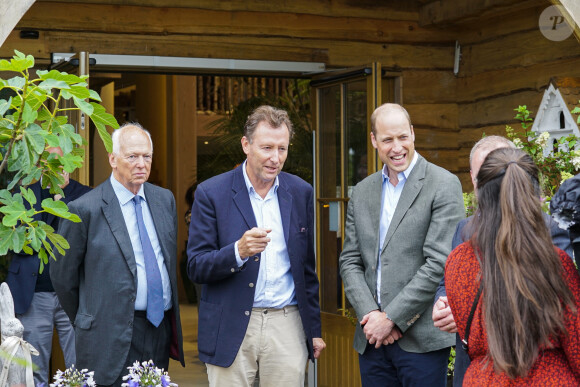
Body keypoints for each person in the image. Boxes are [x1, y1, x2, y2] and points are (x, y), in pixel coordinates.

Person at [187, 105, 325, 387]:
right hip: (230, 325)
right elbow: (196, 266)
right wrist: (237, 251)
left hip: (287, 323)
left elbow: (306, 270)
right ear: (246, 145)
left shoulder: (300, 192)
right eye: (267, 148)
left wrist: (314, 330)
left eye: (282, 149)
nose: (275, 158)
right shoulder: (211, 193)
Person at [338, 103, 464, 386]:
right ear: (374, 141)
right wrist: (371, 316)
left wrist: (391, 318)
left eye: (403, 137)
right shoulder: (362, 191)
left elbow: (439, 263)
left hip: (421, 342)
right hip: (372, 341)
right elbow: (350, 260)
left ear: (413, 134)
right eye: (387, 140)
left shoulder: (443, 184)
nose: (397, 147)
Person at [432, 135, 573, 387]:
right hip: (545, 377)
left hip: (483, 378)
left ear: (480, 191)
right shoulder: (556, 261)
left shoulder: (458, 259)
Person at [51, 123, 184, 386]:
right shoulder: (84, 208)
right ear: (112, 159)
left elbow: (165, 260)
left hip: (158, 328)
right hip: (107, 332)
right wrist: (92, 317)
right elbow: (63, 278)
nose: (141, 163)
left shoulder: (164, 200)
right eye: (132, 156)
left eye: (146, 156)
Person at [6, 147, 91, 386]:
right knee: (35, 370)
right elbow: (19, 244)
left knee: (80, 368)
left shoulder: (86, 197)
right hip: (34, 294)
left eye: (60, 161)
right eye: (49, 161)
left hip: (74, 294)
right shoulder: (22, 197)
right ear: (39, 163)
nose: (55, 166)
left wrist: (58, 201)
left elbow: (80, 242)